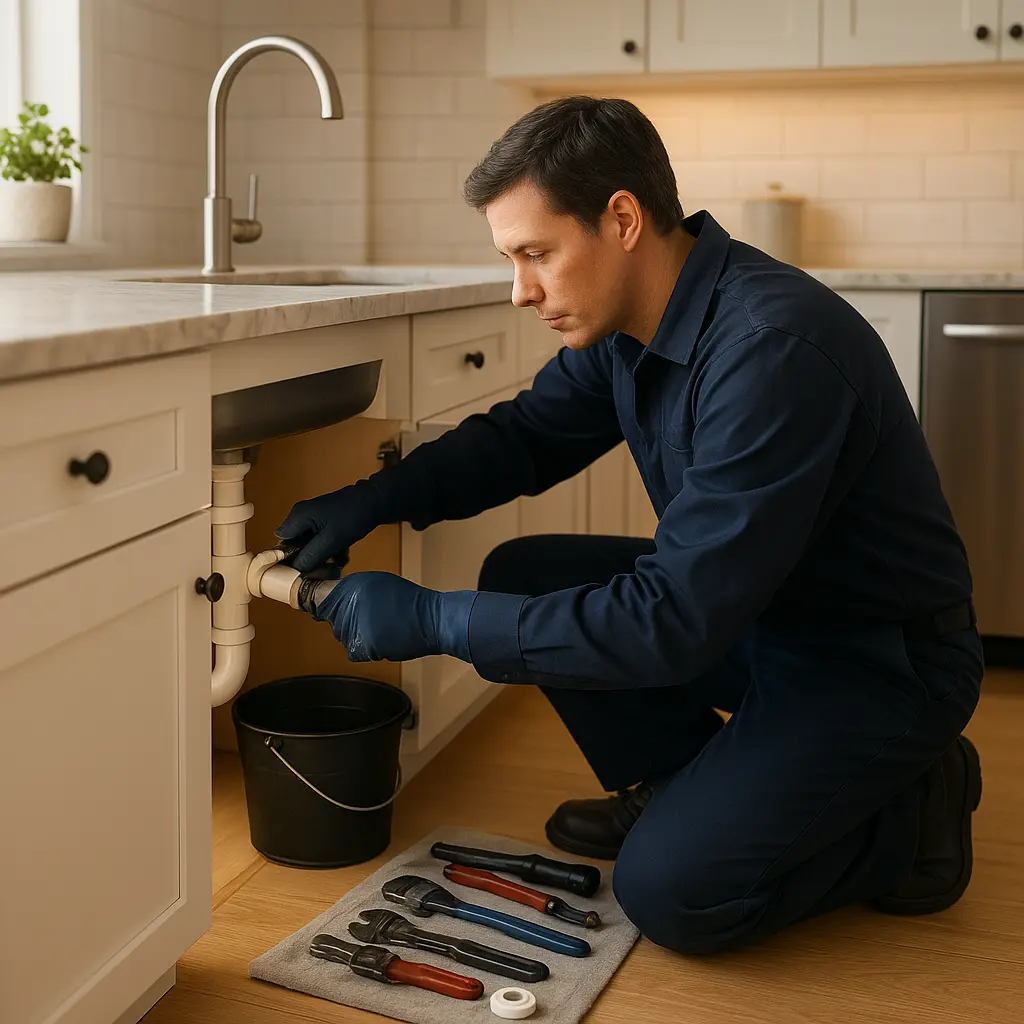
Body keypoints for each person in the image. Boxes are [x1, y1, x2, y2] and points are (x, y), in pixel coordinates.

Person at [278, 96, 984, 955]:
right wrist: (374, 497)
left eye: (536, 253)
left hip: (877, 659)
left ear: (621, 220)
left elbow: (673, 620)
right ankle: (681, 786)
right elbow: (527, 437)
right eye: (511, 260)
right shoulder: (633, 325)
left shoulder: (770, 348)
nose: (520, 291)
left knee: (672, 894)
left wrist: (436, 619)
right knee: (525, 573)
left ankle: (915, 811)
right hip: (760, 614)